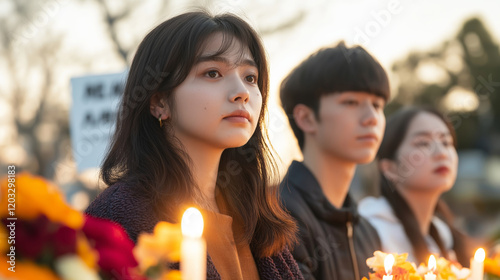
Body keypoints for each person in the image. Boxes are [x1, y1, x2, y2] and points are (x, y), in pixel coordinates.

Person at [85, 11, 303, 280]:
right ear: (159, 102)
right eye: (212, 73)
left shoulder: (256, 219)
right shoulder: (115, 220)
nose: (242, 92)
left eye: (250, 77)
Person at [279, 42, 389, 280]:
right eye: (351, 102)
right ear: (306, 118)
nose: (372, 118)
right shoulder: (279, 217)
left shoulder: (368, 232)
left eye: (378, 105)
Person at [358, 106, 474, 266]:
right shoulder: (370, 231)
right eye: (423, 143)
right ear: (390, 168)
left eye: (446, 142)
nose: (441, 153)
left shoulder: (443, 234)